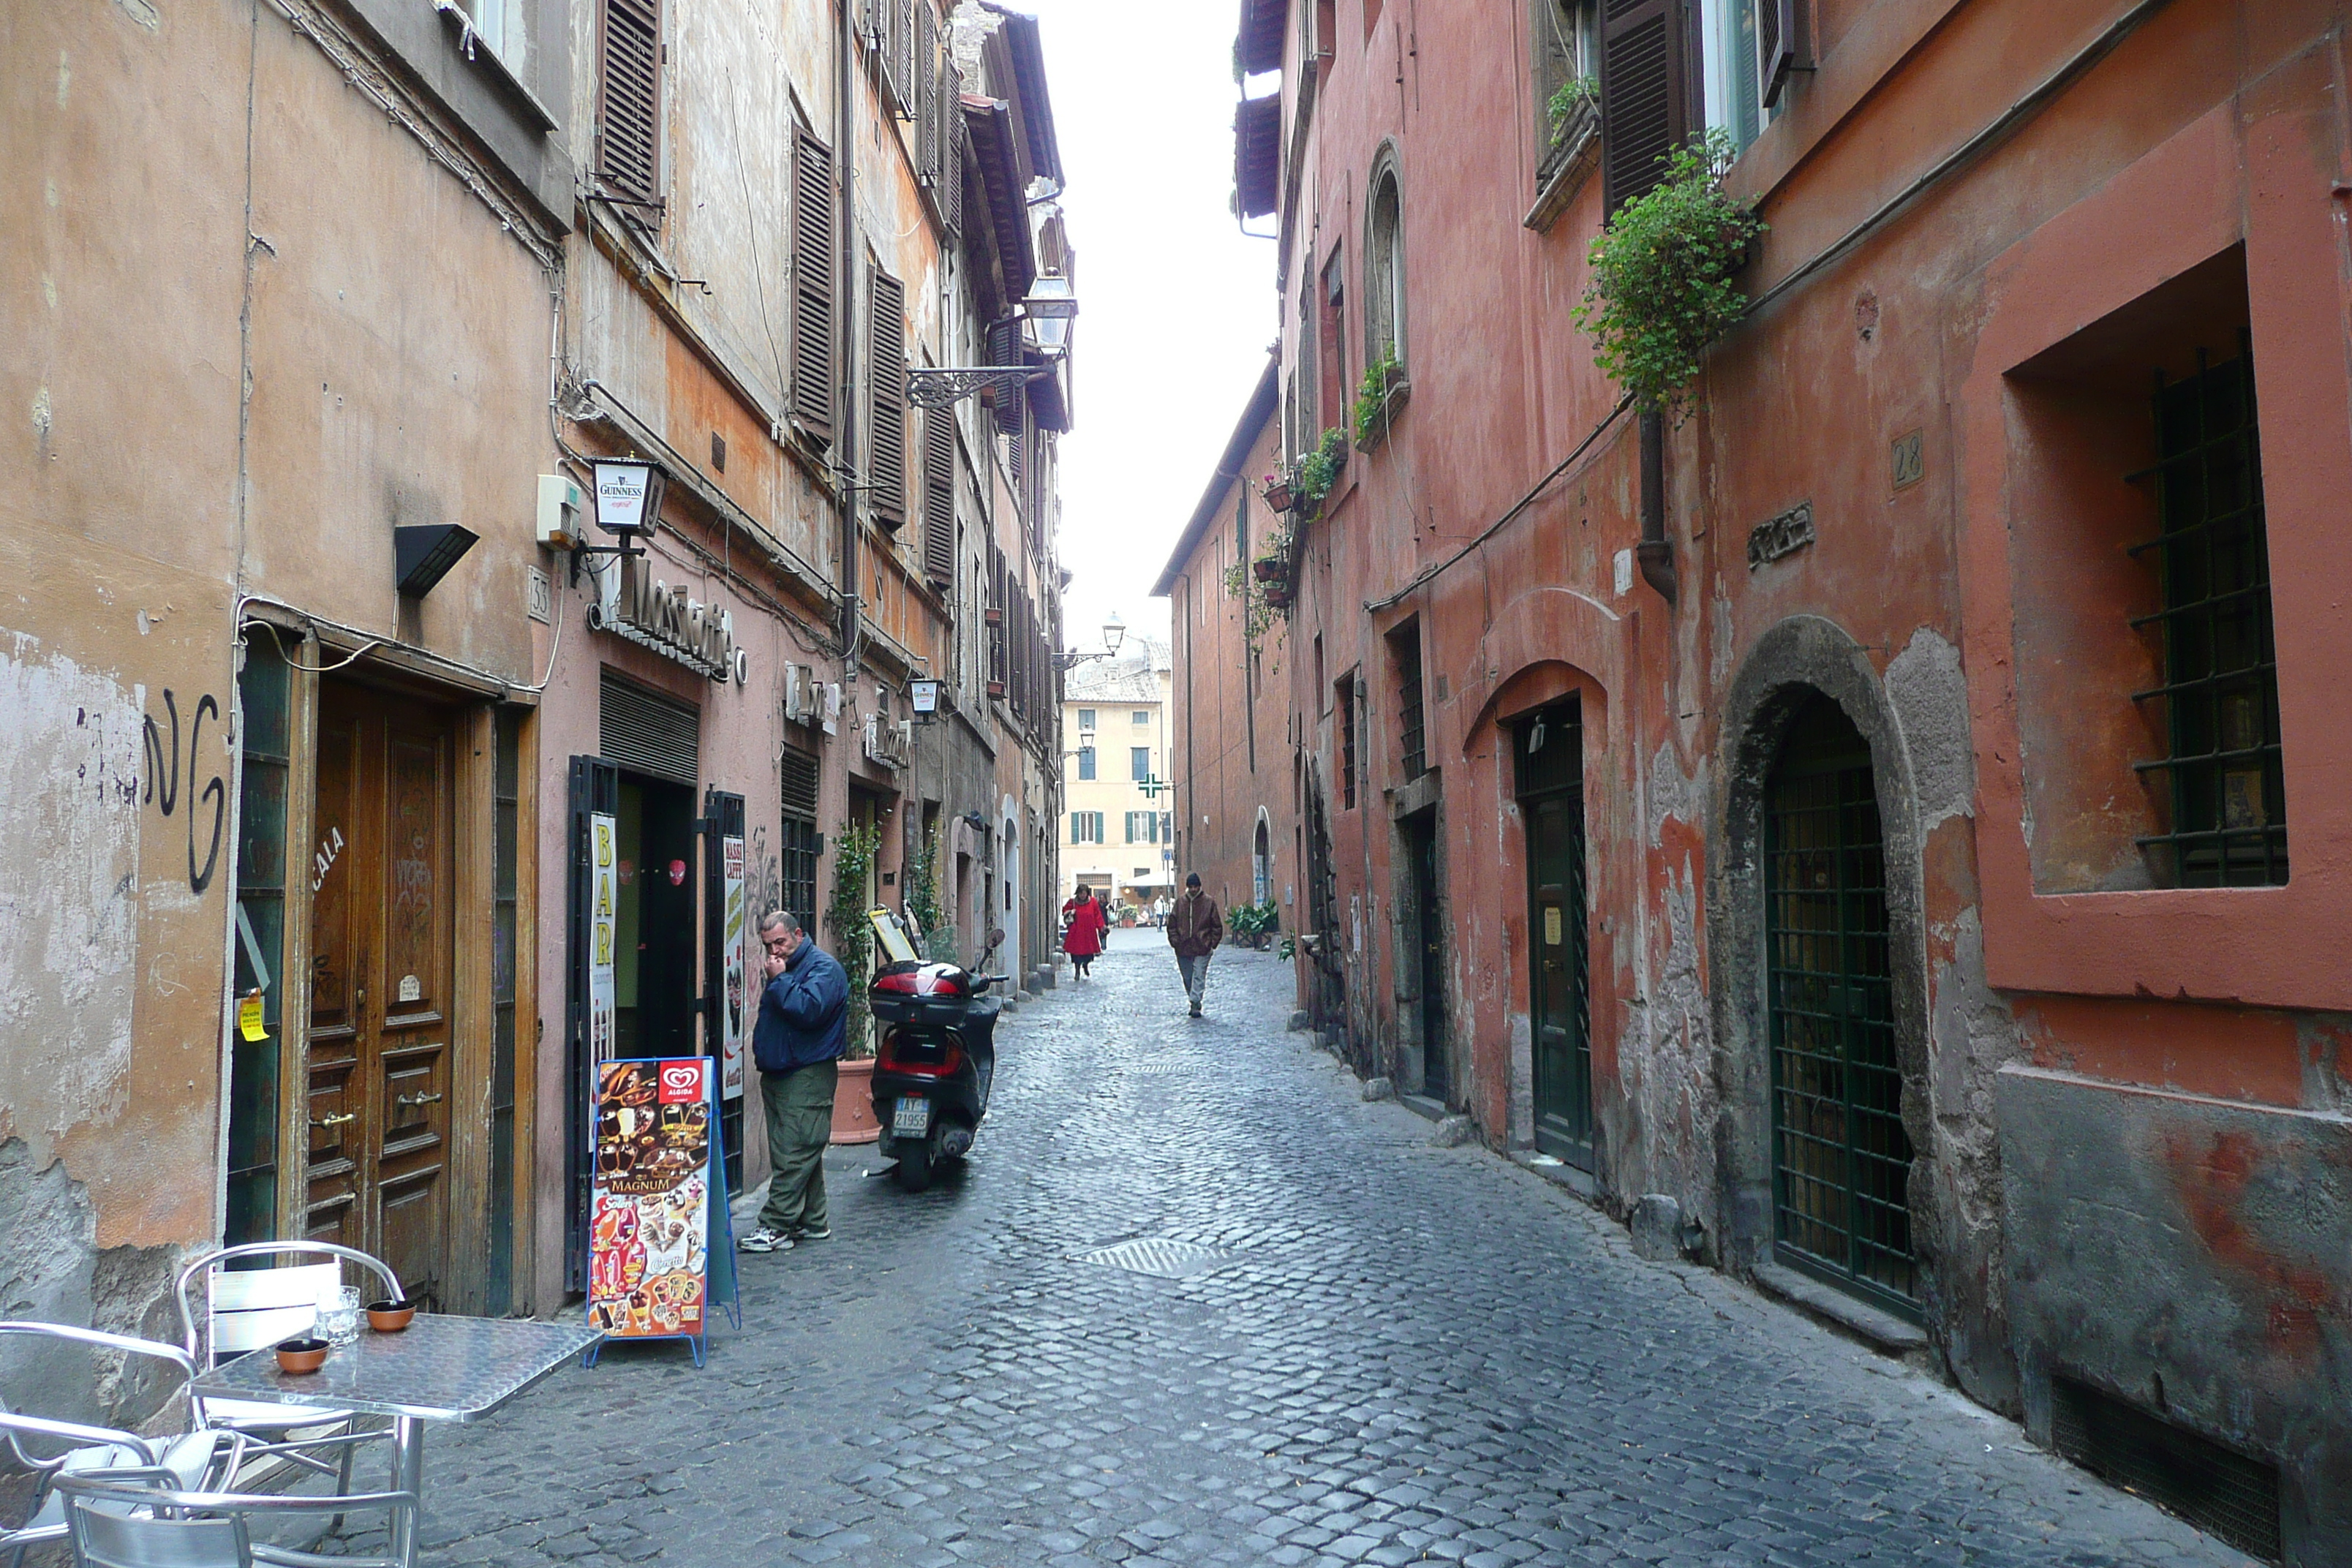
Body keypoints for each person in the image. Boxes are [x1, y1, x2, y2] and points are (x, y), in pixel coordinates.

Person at [740, 910, 848, 1254]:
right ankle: (813, 1220)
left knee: (797, 1151)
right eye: (769, 945)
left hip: (807, 1073)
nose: (775, 951)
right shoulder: (786, 969)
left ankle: (775, 1225)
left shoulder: (823, 969)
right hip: (783, 1071)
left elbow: (808, 1010)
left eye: (781, 942)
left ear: (798, 934)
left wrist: (781, 980)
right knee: (799, 1150)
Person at [1166, 873, 1224, 1018]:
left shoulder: (1209, 902)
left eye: (1195, 887)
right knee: (1187, 978)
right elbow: (1171, 924)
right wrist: (1175, 942)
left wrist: (1211, 944)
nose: (1193, 889)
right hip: (1183, 947)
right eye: (1191, 887)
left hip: (1202, 946)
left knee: (1198, 975)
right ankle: (1194, 999)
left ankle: (1195, 1003)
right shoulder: (1180, 903)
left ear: (1199, 886)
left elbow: (1217, 925)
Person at [1064, 886, 1107, 979]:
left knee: (1088, 954)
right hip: (1077, 932)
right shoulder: (1073, 902)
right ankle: (1077, 971)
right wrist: (1070, 912)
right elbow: (1065, 911)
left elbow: (1097, 915)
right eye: (1080, 893)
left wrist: (1101, 927)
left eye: (1084, 893)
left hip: (1089, 932)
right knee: (1076, 954)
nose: (1082, 895)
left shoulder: (1093, 902)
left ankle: (1086, 966)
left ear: (1087, 893)